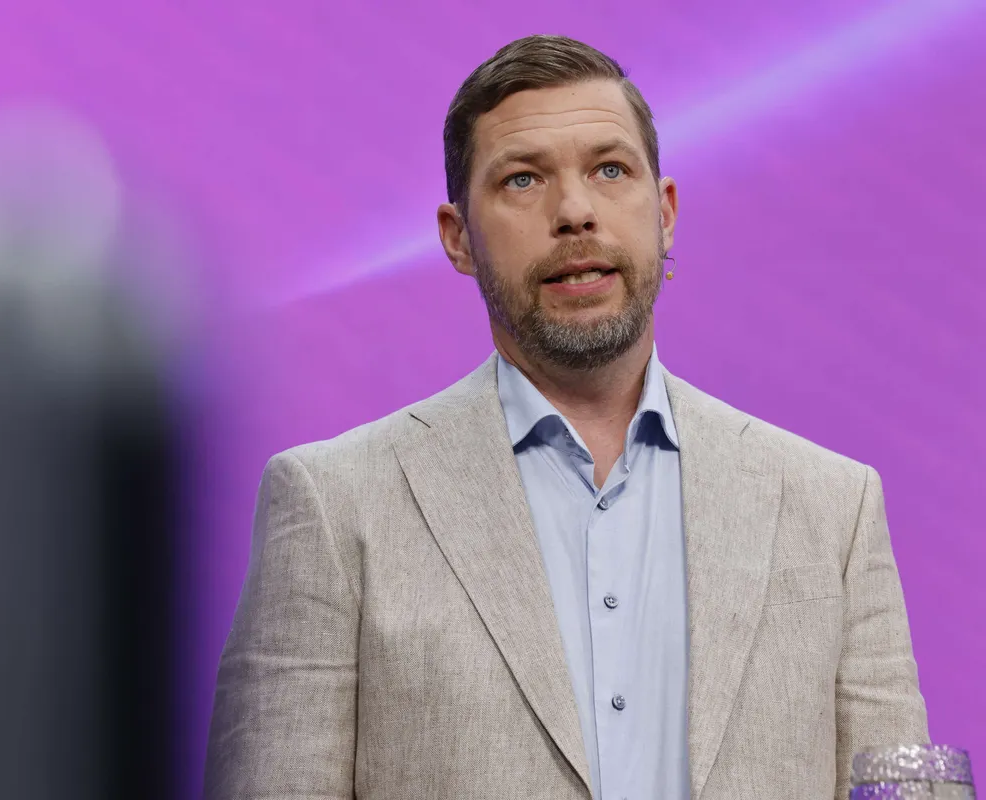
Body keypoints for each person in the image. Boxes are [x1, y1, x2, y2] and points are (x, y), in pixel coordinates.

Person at [203, 34, 927, 800]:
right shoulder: (333, 506)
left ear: (665, 211)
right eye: (523, 179)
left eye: (610, 170)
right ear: (458, 239)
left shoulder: (832, 506)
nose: (576, 212)